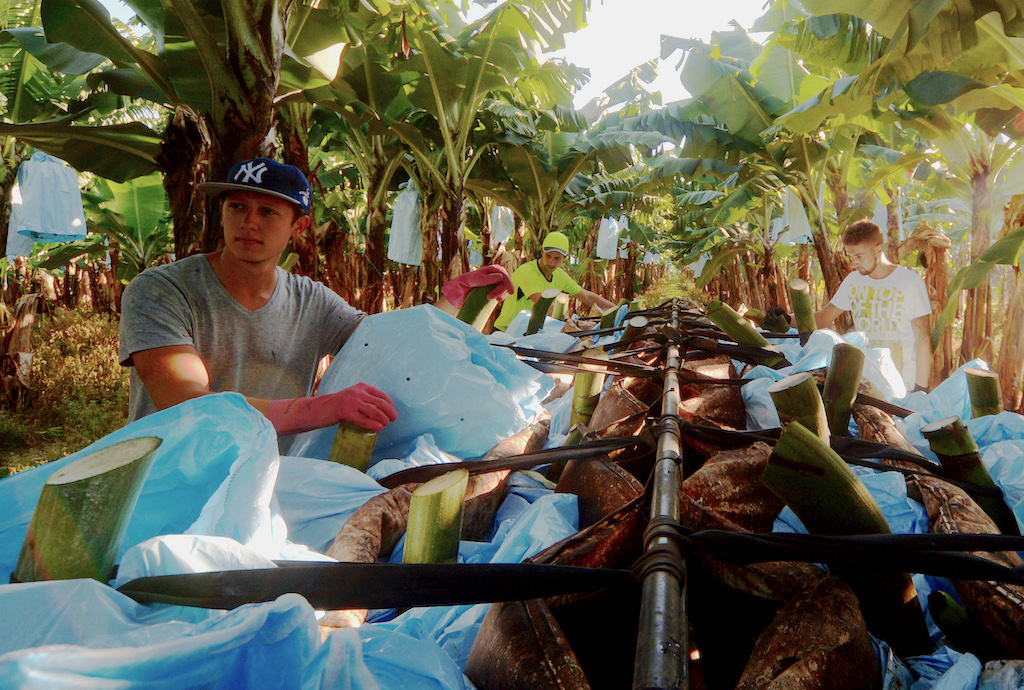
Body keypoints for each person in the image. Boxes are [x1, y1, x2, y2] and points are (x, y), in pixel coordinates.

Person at [119, 158, 397, 444]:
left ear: (298, 227)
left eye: (267, 212)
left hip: (269, 480)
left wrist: (446, 303)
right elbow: (188, 403)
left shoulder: (312, 302)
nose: (248, 223)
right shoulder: (160, 290)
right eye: (237, 207)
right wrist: (324, 407)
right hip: (170, 477)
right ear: (221, 213)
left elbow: (387, 345)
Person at [814, 220, 932, 392]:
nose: (853, 262)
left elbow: (923, 339)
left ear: (879, 249)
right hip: (866, 381)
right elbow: (824, 317)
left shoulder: (909, 282)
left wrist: (921, 388)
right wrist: (788, 319)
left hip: (902, 384)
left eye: (859, 256)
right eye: (850, 256)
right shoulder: (853, 281)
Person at [492, 231, 616, 331]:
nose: (551, 262)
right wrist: (571, 323)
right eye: (548, 256)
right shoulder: (527, 272)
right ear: (542, 251)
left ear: (564, 258)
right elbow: (543, 306)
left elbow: (587, 297)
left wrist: (616, 309)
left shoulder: (559, 275)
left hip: (528, 334)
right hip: (506, 333)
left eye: (557, 258)